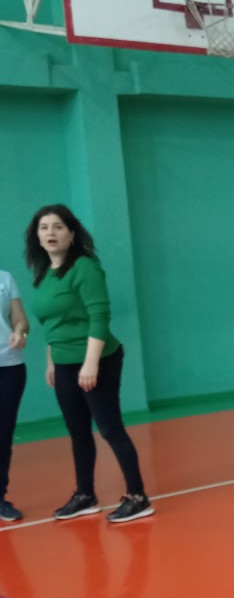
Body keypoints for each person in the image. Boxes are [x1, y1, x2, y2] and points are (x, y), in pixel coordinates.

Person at [25, 205, 153, 524]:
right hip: (64, 363)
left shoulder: (84, 267)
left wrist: (90, 363)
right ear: (37, 236)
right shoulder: (44, 275)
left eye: (58, 227)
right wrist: (51, 361)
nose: (51, 233)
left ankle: (138, 497)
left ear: (71, 234)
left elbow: (99, 316)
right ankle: (85, 495)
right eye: (44, 227)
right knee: (78, 432)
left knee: (110, 428)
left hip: (98, 359)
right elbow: (54, 324)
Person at [0, 266, 30, 522]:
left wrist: (20, 332)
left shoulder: (5, 278)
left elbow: (21, 320)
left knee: (2, 436)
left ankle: (0, 498)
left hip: (9, 367)